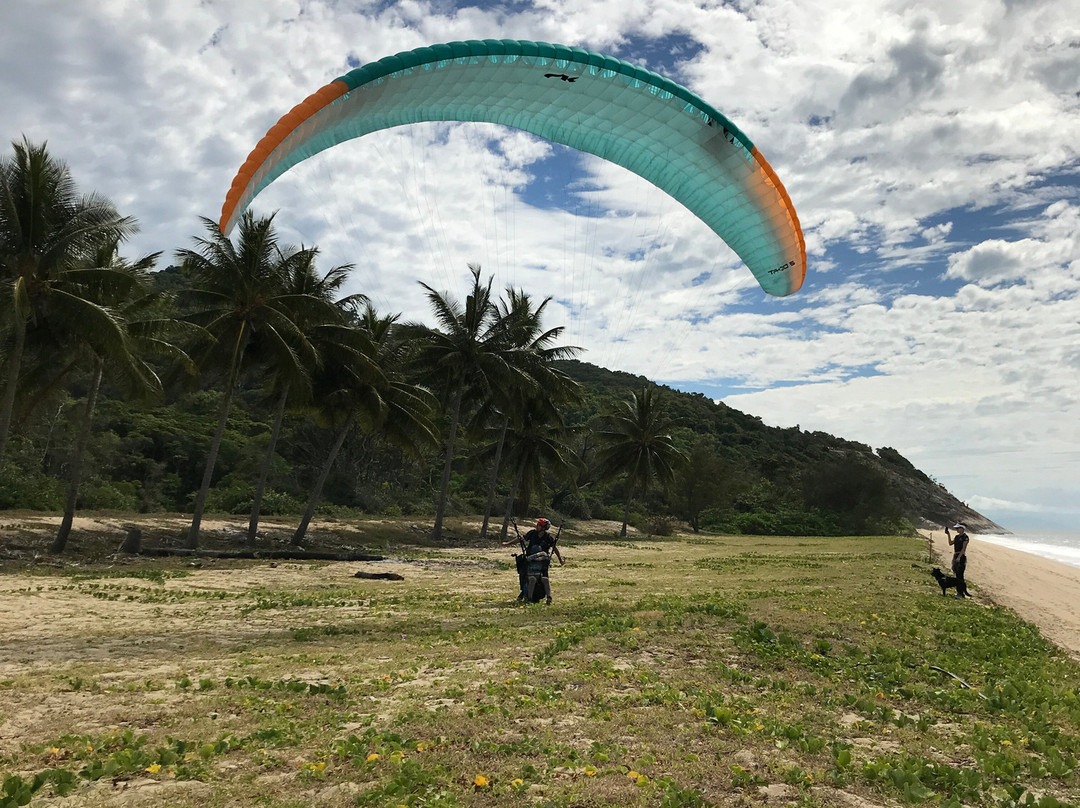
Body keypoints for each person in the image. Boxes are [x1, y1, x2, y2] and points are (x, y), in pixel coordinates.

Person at [503, 517, 564, 604]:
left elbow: (554, 548)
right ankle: (524, 591)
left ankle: (544, 594)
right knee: (523, 574)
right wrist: (508, 544)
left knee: (544, 576)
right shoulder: (532, 533)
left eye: (539, 525)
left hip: (542, 561)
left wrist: (560, 559)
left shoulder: (548, 537)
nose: (537, 526)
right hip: (530, 558)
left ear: (543, 528)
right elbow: (521, 539)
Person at [944, 522, 970, 599]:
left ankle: (961, 593)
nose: (957, 530)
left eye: (958, 528)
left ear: (962, 528)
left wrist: (959, 557)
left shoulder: (965, 537)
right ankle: (959, 592)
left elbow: (963, 549)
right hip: (956, 555)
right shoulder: (956, 537)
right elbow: (950, 543)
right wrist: (948, 534)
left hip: (961, 557)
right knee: (957, 575)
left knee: (960, 576)